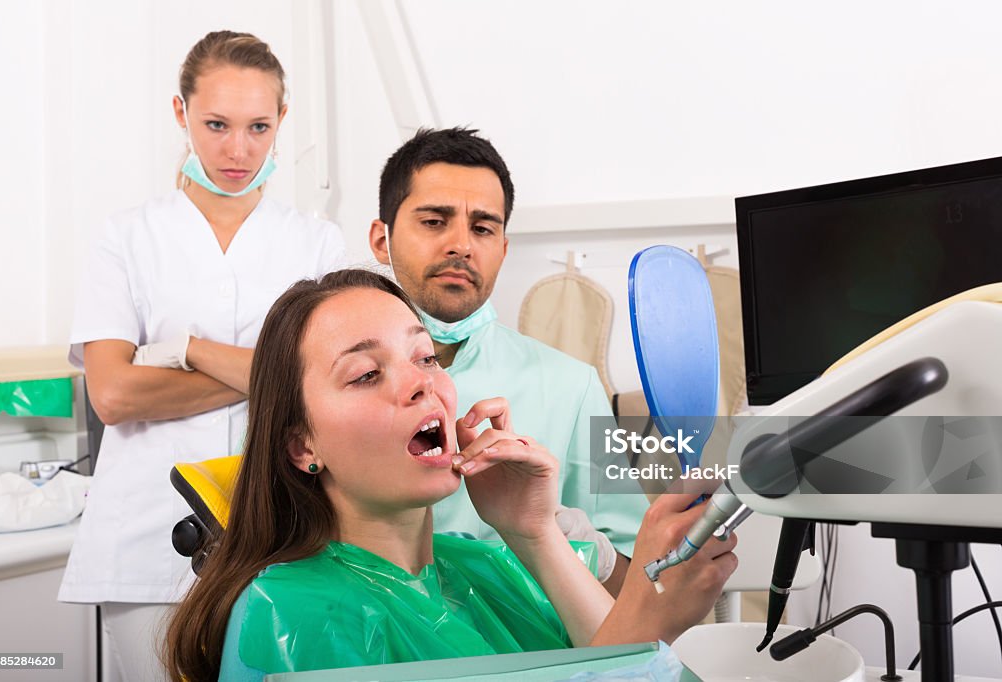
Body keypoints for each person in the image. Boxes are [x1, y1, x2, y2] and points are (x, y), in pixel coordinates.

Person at [163, 269, 738, 682]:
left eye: (426, 358)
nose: (422, 384)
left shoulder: (482, 563)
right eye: (365, 374)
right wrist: (644, 623)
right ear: (302, 445)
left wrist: (532, 531)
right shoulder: (295, 616)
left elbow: (594, 661)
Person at [58, 30, 345, 681]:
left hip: (284, 531)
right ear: (180, 113)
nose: (237, 149)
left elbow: (329, 384)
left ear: (282, 123)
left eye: (258, 126)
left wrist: (185, 350)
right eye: (216, 124)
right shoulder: (128, 236)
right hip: (147, 542)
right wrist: (275, 373)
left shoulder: (317, 245)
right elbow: (114, 395)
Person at [368, 127, 647, 594]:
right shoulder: (323, 379)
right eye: (434, 221)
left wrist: (573, 542)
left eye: (482, 228)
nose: (461, 244)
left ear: (502, 247)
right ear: (382, 239)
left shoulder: (572, 388)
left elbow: (639, 585)